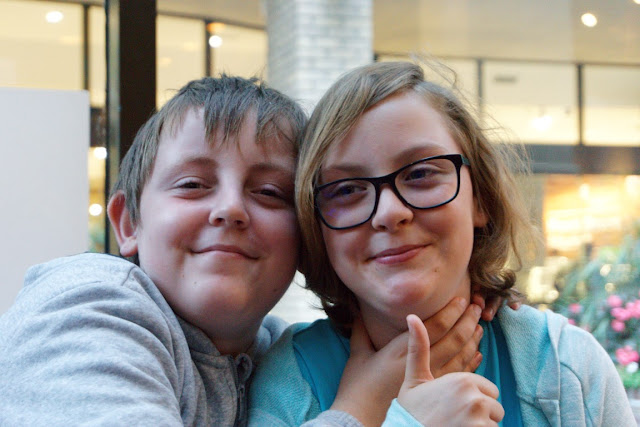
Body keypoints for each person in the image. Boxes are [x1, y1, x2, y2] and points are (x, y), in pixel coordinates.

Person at [0, 74, 498, 426]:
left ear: (307, 235)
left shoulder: (274, 354)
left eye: (269, 192)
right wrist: (362, 408)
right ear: (128, 223)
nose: (230, 209)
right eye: (193, 184)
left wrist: (466, 291)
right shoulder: (85, 309)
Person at [248, 61, 636, 426]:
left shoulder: (567, 367)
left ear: (479, 198)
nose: (389, 213)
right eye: (347, 189)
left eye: (420, 174)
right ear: (316, 226)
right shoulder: (289, 378)